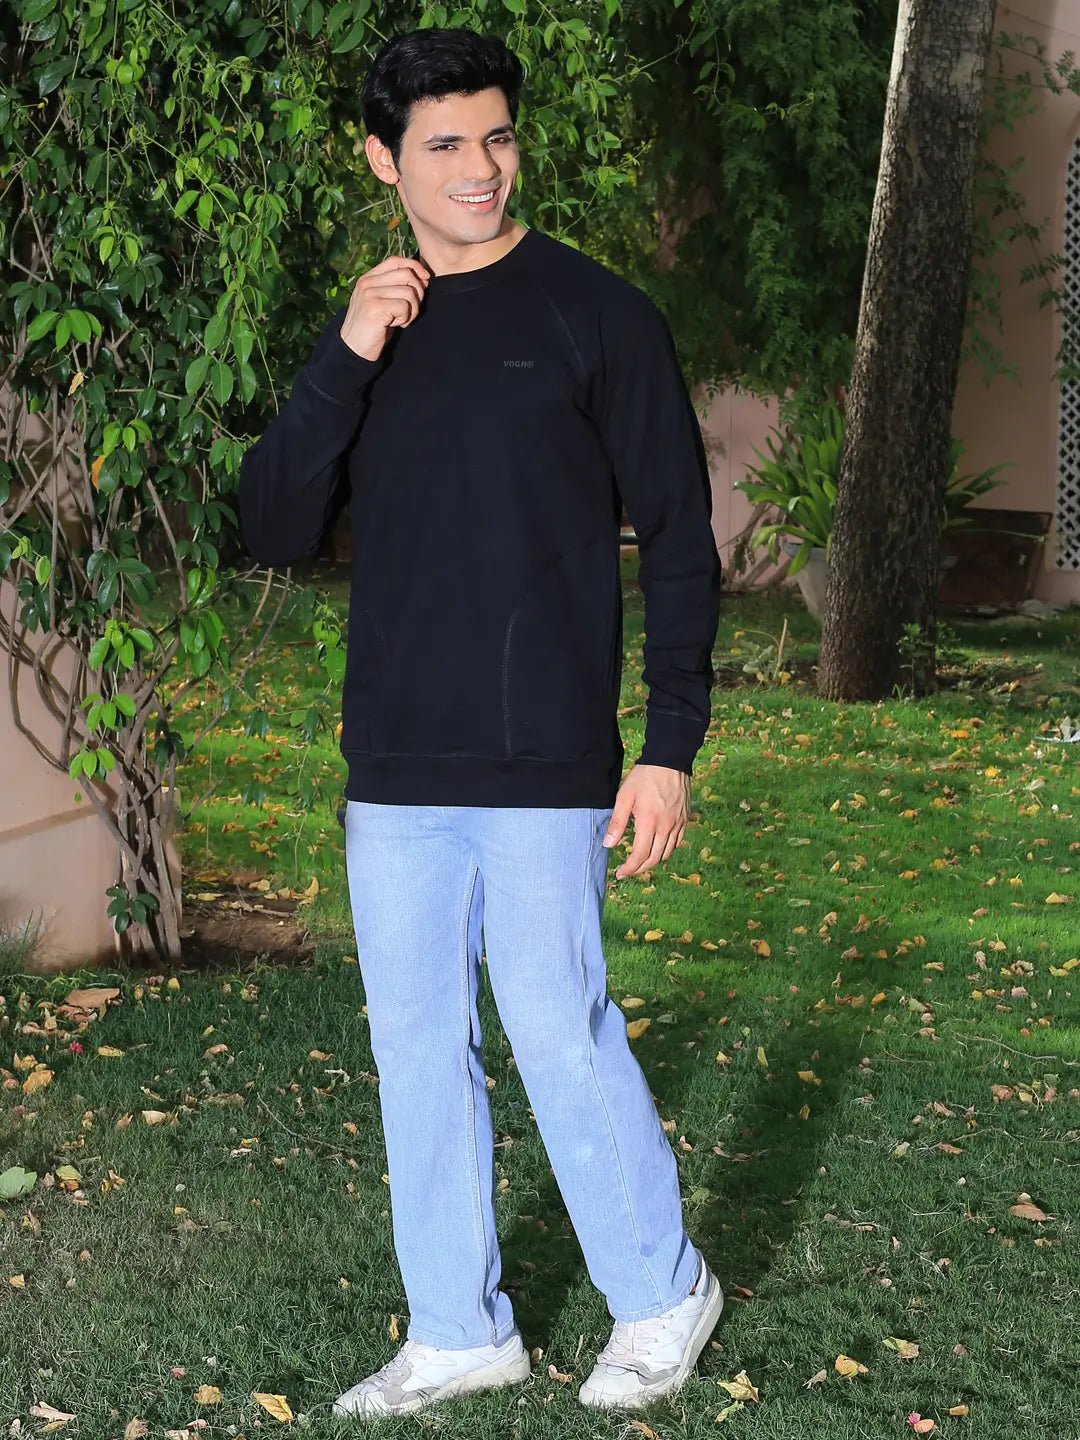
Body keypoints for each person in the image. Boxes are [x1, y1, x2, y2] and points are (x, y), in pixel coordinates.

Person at [238, 25, 724, 1420]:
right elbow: (270, 523)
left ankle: (659, 1291)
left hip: (545, 756)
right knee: (413, 1044)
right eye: (444, 144)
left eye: (497, 136)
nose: (479, 168)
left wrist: (667, 744)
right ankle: (460, 1328)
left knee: (558, 1027)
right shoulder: (373, 332)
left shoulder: (598, 316)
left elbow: (682, 546)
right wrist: (347, 347)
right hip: (393, 759)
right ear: (382, 159)